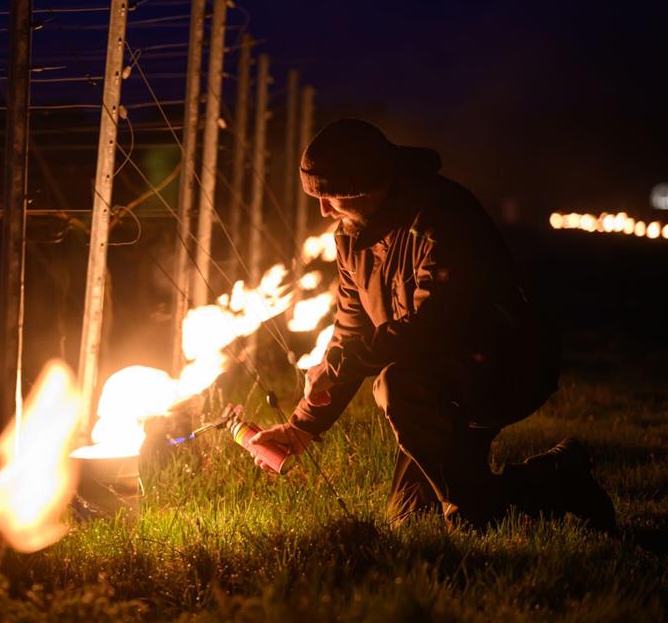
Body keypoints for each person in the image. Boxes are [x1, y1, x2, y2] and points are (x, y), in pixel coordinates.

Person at [250, 119, 615, 532]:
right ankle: (557, 475)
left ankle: (486, 505)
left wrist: (346, 361)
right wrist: (302, 427)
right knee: (410, 520)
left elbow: (434, 327)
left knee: (397, 386)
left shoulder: (443, 217)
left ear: (368, 185)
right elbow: (350, 331)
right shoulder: (351, 239)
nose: (323, 209)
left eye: (332, 197)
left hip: (501, 367)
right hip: (435, 380)